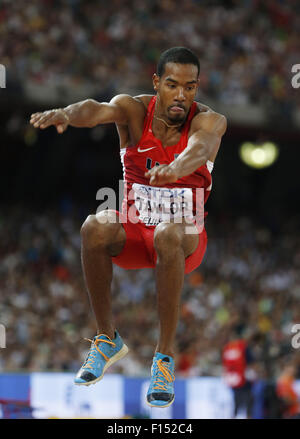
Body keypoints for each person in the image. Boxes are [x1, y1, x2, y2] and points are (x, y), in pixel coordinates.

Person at [30, 47, 227, 408]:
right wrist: (66, 114)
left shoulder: (210, 121)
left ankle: (163, 358)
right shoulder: (134, 111)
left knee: (169, 231)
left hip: (184, 241)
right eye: (172, 85)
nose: (181, 95)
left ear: (197, 88)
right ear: (156, 83)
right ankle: (107, 339)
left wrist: (178, 167)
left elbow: (201, 147)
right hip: (135, 233)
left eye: (190, 87)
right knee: (94, 226)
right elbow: (94, 109)